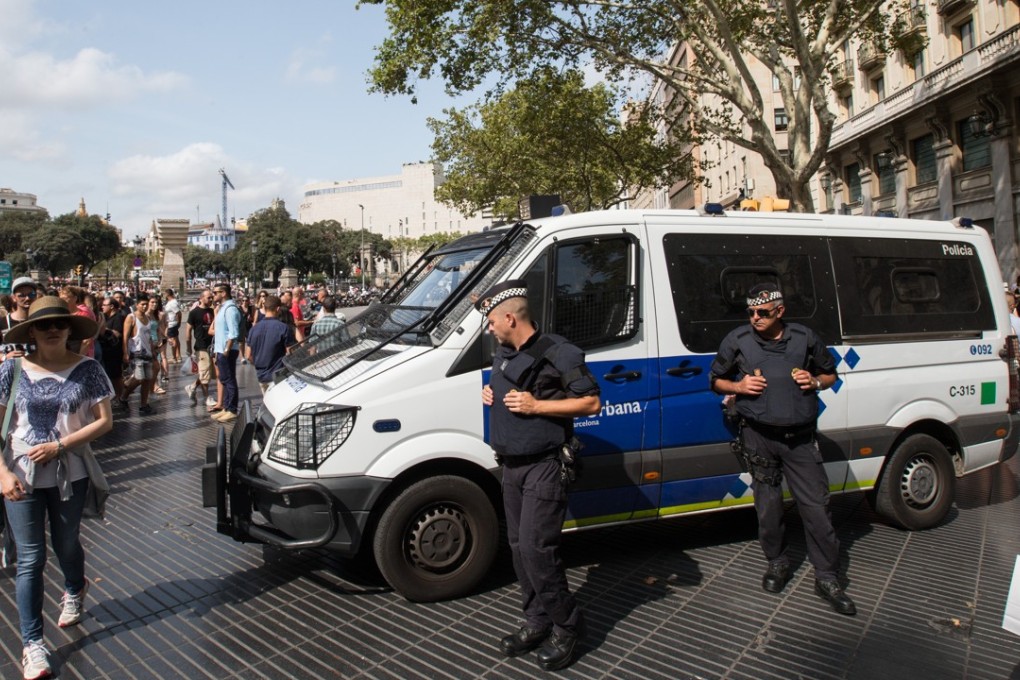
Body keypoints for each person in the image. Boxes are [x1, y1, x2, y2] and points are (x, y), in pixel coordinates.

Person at [709, 282, 856, 616]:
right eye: (750, 312)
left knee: (817, 509)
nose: (755, 318)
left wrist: (815, 381)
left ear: (780, 312)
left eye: (762, 312)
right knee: (769, 510)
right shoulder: (738, 341)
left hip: (801, 439)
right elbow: (715, 380)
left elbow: (830, 374)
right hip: (758, 437)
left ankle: (827, 577)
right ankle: (777, 563)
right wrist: (739, 385)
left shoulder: (804, 338)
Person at [478, 280, 601, 672]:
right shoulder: (504, 352)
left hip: (545, 466)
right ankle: (537, 622)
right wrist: (489, 395)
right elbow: (505, 387)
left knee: (536, 549)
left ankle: (567, 627)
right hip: (511, 467)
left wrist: (536, 406)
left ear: (510, 317)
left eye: (492, 321)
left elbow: (592, 401)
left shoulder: (558, 352)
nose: (490, 328)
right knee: (517, 548)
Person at [0, 296, 114, 680]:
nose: (52, 330)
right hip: (20, 474)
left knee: (67, 543)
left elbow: (105, 421)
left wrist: (61, 445)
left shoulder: (89, 370)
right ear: (30, 330)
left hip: (70, 471)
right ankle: (32, 643)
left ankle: (73, 587)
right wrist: (2, 472)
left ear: (69, 329)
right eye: (43, 324)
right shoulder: (12, 372)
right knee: (31, 558)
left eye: (59, 324)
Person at [245, 295, 294, 394]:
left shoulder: (254, 329)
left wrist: (259, 364)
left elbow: (248, 355)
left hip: (261, 375)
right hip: (278, 375)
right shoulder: (283, 328)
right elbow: (290, 352)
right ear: (278, 309)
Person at [119, 293, 156, 415]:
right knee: (139, 378)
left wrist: (153, 351)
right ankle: (123, 396)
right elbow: (125, 336)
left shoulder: (148, 318)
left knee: (147, 379)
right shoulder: (131, 317)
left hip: (148, 352)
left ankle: (144, 404)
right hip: (136, 352)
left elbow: (149, 337)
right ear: (137, 305)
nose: (145, 307)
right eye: (142, 304)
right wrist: (125, 352)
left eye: (146, 304)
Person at [211, 284, 242, 423]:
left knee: (229, 380)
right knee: (224, 379)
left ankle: (232, 409)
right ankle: (226, 407)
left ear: (223, 293)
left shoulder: (230, 309)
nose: (213, 295)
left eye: (215, 292)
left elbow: (233, 332)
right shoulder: (222, 308)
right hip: (220, 349)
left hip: (226, 351)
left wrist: (226, 351)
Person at [184, 289, 215, 406]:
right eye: (208, 297)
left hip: (212, 345)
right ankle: (207, 397)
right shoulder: (194, 312)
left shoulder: (213, 311)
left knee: (207, 372)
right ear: (201, 298)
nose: (211, 299)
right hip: (201, 346)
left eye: (212, 297)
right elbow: (188, 329)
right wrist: (188, 347)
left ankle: (192, 387)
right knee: (205, 372)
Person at [1, 278, 39, 360]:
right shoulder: (2, 323)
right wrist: (4, 357)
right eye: (22, 295)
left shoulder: (42, 321)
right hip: (11, 370)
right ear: (14, 298)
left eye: (31, 294)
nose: (27, 298)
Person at [163, 289, 182, 363]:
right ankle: (178, 356)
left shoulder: (172, 303)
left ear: (167, 294)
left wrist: (179, 322)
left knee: (173, 340)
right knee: (176, 339)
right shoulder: (171, 302)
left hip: (172, 323)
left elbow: (178, 313)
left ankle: (174, 357)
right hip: (173, 323)